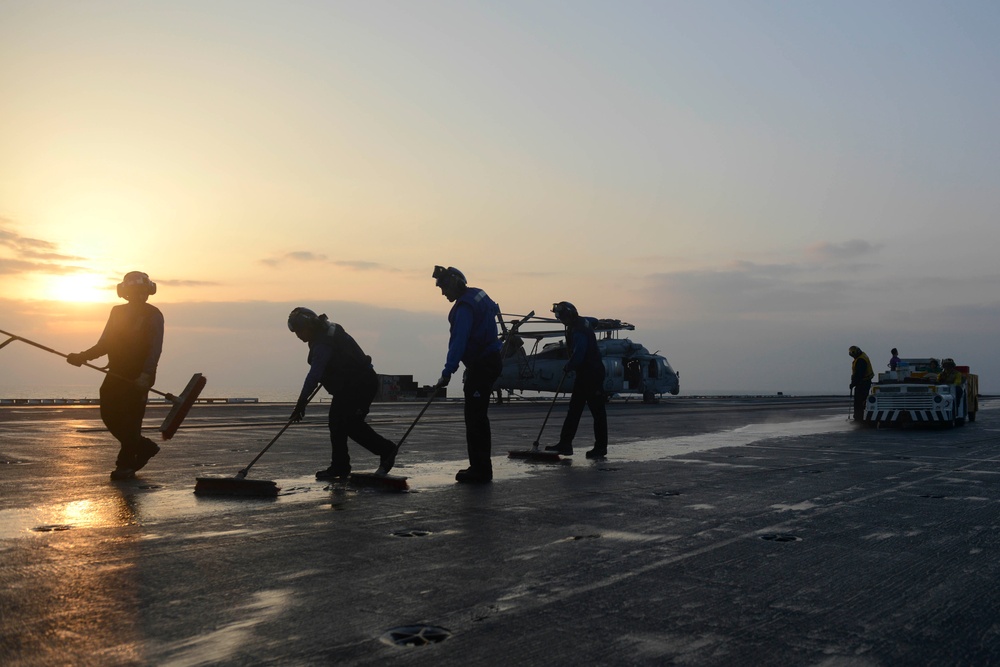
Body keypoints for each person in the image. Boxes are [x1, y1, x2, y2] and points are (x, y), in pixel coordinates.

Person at [66, 271, 164, 480]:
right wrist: (82, 357)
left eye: (141, 291)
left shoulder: (154, 314)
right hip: (117, 372)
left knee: (131, 420)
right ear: (125, 292)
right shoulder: (117, 312)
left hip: (139, 375)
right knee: (109, 415)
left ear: (149, 292)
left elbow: (155, 349)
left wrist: (146, 375)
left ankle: (125, 465)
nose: (138, 295)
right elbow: (106, 343)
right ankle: (144, 446)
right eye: (133, 291)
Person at [287, 308, 398, 480]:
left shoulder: (324, 343)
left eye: (300, 331)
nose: (298, 336)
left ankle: (386, 450)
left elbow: (314, 375)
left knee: (351, 425)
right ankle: (340, 466)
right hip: (347, 387)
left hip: (360, 385)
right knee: (336, 423)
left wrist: (301, 402)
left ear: (309, 326)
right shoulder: (326, 334)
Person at [433, 265, 502, 483]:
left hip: (482, 365)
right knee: (477, 416)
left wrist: (447, 371)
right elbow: (494, 310)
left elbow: (458, 342)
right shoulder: (479, 294)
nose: (443, 293)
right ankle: (480, 467)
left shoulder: (463, 308)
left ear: (455, 284)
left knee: (475, 418)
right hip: (491, 360)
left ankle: (480, 470)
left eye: (444, 287)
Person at [545, 302, 609, 458]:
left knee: (597, 412)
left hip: (591, 374)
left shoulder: (579, 330)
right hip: (585, 374)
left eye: (561, 317)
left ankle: (600, 448)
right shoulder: (584, 322)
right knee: (574, 410)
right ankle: (565, 444)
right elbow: (593, 320)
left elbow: (579, 353)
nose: (561, 320)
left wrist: (569, 366)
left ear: (570, 315)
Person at [848, 345, 874, 422]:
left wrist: (853, 384)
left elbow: (859, 374)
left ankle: (859, 418)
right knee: (863, 400)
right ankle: (861, 416)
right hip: (865, 381)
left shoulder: (860, 360)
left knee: (859, 401)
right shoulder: (863, 356)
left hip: (863, 382)